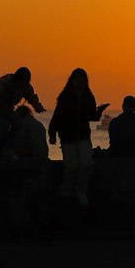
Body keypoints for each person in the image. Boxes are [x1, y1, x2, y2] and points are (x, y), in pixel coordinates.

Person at [48, 69, 108, 206]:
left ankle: (81, 191)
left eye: (82, 81)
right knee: (71, 166)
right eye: (78, 81)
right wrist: (52, 133)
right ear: (73, 81)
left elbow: (91, 116)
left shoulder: (89, 97)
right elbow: (57, 116)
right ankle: (66, 190)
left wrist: (99, 112)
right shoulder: (65, 97)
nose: (80, 84)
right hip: (67, 137)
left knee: (87, 164)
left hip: (83, 136)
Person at [0, 67, 45, 158]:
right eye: (21, 83)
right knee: (1, 129)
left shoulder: (26, 87)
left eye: (25, 83)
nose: (22, 86)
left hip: (7, 109)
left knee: (18, 124)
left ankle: (8, 149)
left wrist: (38, 107)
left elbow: (31, 97)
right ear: (17, 80)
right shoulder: (5, 85)